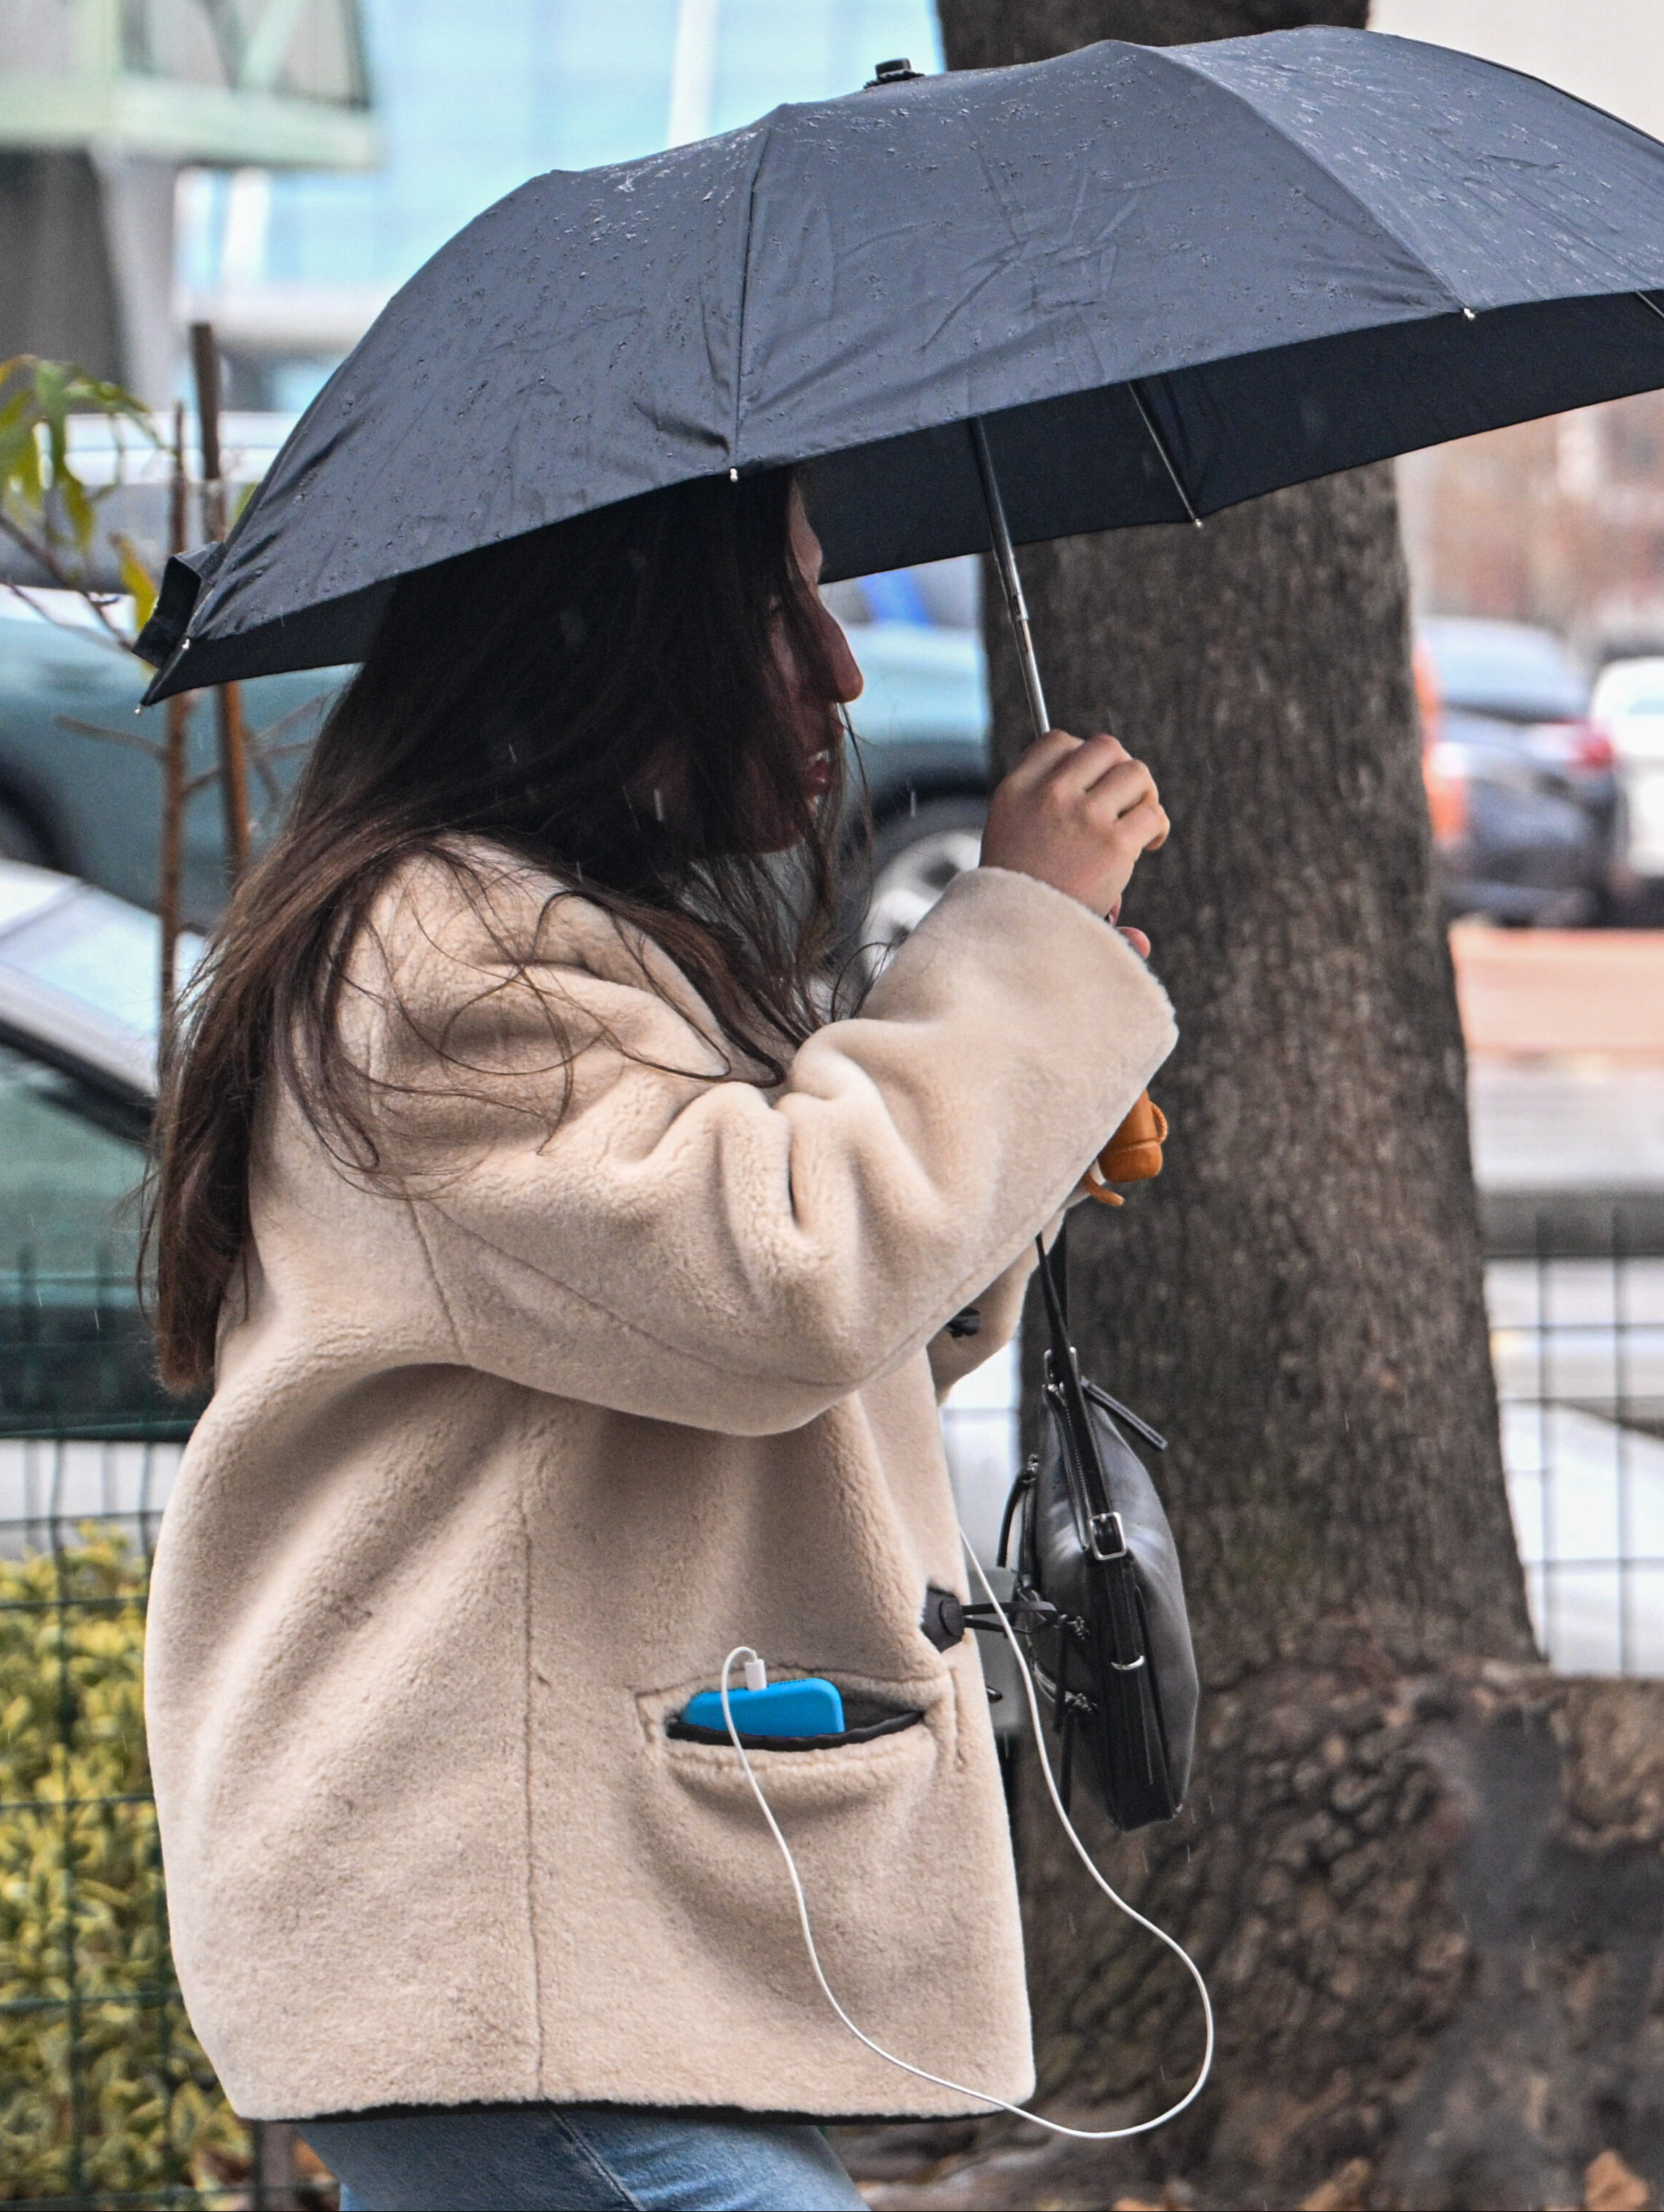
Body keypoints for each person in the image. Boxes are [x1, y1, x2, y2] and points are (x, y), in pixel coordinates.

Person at [139, 467, 1175, 2212]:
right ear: (621, 643)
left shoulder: (565, 937)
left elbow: (785, 1340)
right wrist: (1023, 946)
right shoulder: (441, 961)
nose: (841, 674)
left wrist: (1025, 1111)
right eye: (788, 610)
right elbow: (788, 1280)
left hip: (552, 1966)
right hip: (502, 1958)